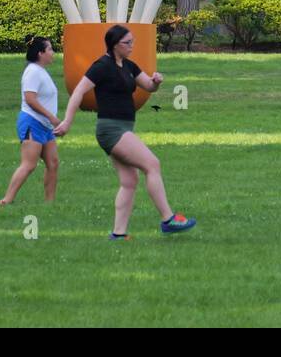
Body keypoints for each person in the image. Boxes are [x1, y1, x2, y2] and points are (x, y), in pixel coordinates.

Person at [54, 24, 195, 238]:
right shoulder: (102, 66)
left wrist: (156, 82)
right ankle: (168, 219)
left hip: (124, 127)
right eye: (127, 43)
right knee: (152, 164)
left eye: (132, 42)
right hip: (110, 129)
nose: (131, 46)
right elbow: (78, 92)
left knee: (129, 181)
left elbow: (147, 85)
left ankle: (118, 234)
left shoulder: (129, 66)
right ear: (114, 44)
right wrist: (67, 122)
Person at [0, 35, 60, 205]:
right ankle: (7, 200)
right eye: (49, 49)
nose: (52, 52)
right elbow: (30, 99)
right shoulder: (33, 71)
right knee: (29, 164)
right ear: (40, 53)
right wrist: (52, 117)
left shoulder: (41, 71)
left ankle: (50, 203)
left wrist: (51, 121)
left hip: (45, 126)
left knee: (53, 163)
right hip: (32, 122)